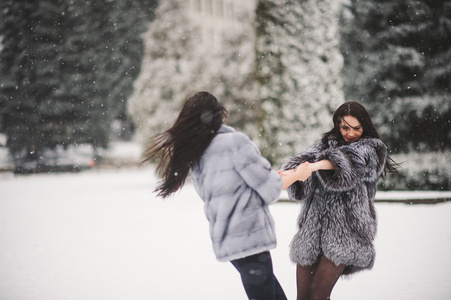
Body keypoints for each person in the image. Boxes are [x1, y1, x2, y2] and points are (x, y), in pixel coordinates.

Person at [144, 91, 312, 300]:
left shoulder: (198, 154)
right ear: (218, 115)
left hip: (230, 243)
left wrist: (268, 178)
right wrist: (298, 174)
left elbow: (223, 191)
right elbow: (270, 189)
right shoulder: (235, 143)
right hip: (250, 239)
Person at [280, 101, 399, 300]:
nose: (350, 133)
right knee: (302, 297)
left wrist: (314, 166)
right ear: (337, 123)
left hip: (347, 232)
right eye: (345, 127)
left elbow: (349, 162)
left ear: (364, 127)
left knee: (319, 295)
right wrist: (294, 171)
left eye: (356, 128)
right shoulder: (327, 143)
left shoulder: (371, 148)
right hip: (313, 230)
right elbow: (307, 161)